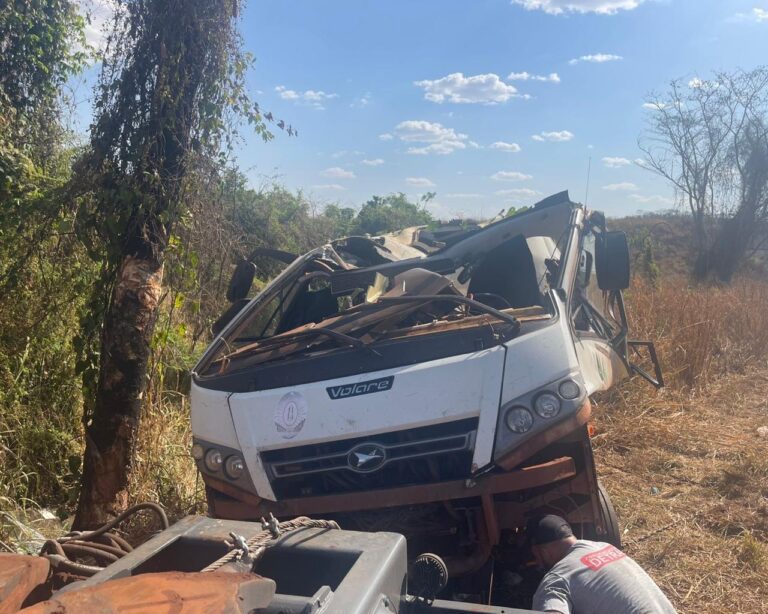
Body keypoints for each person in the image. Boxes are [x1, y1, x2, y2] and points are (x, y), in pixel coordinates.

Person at [528, 515, 677, 614]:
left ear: (544, 551)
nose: (537, 562)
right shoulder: (605, 547)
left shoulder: (557, 578)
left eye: (536, 556)